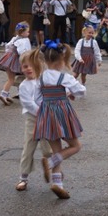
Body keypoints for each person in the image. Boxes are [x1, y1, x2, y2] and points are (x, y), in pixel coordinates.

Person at [36, 41, 86, 199]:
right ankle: (50, 163)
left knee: (58, 150)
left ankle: (58, 184)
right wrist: (70, 93)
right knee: (75, 145)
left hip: (46, 113)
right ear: (61, 61)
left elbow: (37, 98)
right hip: (62, 113)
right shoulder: (64, 77)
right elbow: (81, 91)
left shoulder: (42, 77)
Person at [15, 49, 53, 191]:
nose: (28, 69)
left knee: (48, 148)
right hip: (33, 119)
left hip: (47, 118)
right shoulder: (23, 86)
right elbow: (29, 104)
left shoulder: (45, 80)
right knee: (28, 148)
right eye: (25, 66)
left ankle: (50, 167)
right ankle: (23, 178)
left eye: (32, 65)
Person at [0, 22, 31, 105]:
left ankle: (6, 94)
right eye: (27, 32)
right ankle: (5, 94)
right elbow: (22, 52)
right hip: (16, 60)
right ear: (22, 33)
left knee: (12, 78)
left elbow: (7, 47)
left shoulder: (15, 38)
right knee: (18, 77)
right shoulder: (24, 40)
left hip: (8, 59)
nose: (28, 33)